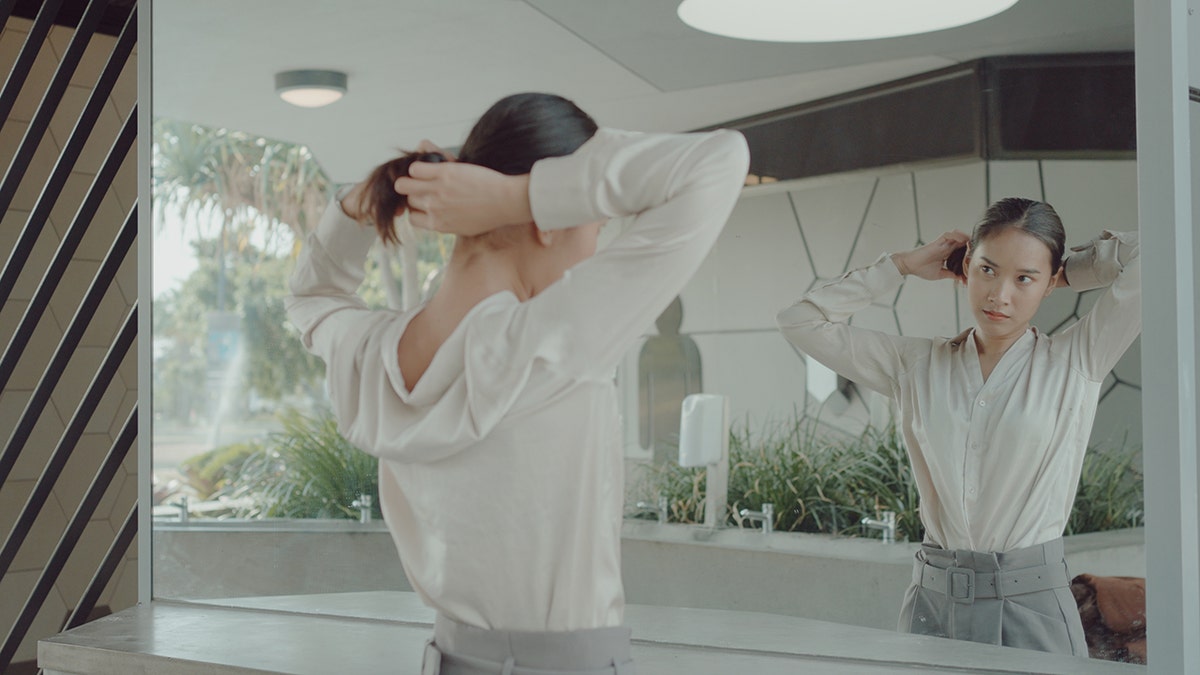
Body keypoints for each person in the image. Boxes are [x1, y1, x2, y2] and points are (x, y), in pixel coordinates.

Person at [286, 92, 749, 674]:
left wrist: (364, 202)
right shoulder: (554, 339)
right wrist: (517, 197)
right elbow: (721, 160)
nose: (596, 245)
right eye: (596, 228)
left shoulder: (373, 355)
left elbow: (312, 296)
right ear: (550, 225)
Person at [777, 197, 1140, 656]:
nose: (999, 294)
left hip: (1032, 606)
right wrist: (902, 266)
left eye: (1024, 278)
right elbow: (799, 321)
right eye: (988, 269)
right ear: (966, 265)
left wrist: (1070, 270)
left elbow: (1154, 256)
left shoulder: (1076, 360)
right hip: (933, 604)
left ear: (1049, 285)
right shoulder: (914, 365)